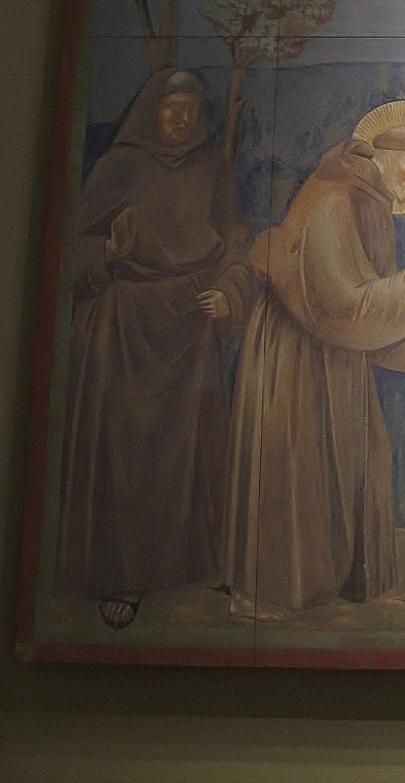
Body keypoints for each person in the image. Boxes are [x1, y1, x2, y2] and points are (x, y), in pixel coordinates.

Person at [222, 110, 405, 621]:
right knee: (295, 465)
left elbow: (366, 313)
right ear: (383, 157)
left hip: (335, 354)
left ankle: (337, 580)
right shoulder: (336, 200)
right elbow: (341, 305)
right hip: (296, 355)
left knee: (353, 457)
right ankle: (264, 590)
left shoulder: (370, 205)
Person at [57, 68, 254, 629]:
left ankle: (189, 566)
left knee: (189, 455)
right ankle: (124, 574)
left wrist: (230, 290)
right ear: (151, 110)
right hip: (124, 328)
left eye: (191, 108)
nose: (181, 118)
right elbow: (71, 251)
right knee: (129, 454)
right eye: (171, 107)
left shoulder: (213, 167)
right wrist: (108, 252)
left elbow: (236, 242)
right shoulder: (120, 165)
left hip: (190, 323)